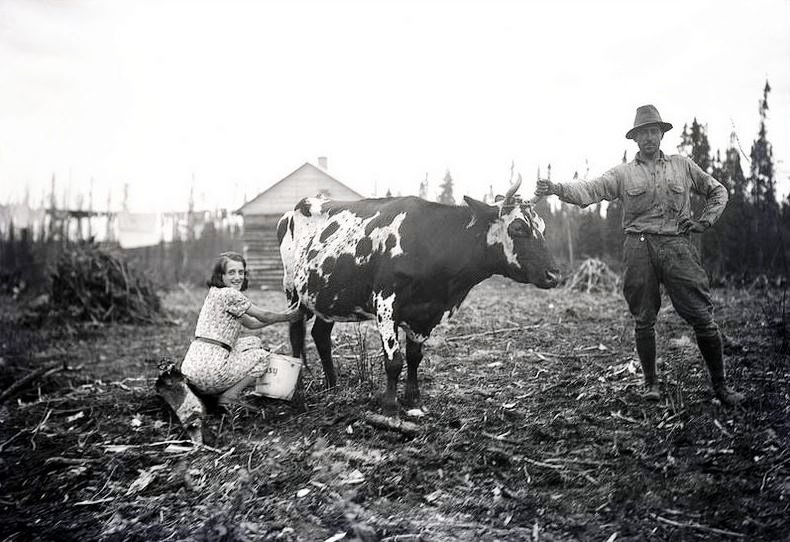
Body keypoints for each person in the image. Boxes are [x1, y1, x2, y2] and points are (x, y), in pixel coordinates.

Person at [535, 104, 744, 406]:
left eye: (653, 131)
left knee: (702, 316)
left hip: (678, 247)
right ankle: (651, 384)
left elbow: (718, 191)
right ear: (635, 139)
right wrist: (556, 187)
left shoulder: (682, 166)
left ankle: (721, 387)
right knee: (644, 319)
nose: (649, 137)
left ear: (661, 134)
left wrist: (703, 222)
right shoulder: (622, 174)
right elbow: (590, 190)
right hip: (639, 248)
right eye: (643, 132)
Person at [156, 251, 300, 442]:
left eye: (241, 272)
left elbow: (251, 324)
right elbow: (263, 315)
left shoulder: (215, 294)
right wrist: (291, 315)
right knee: (262, 357)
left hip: (192, 368)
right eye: (231, 272)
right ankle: (229, 396)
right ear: (221, 276)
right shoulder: (230, 294)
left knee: (253, 342)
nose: (237, 277)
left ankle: (214, 393)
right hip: (211, 372)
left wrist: (276, 320)